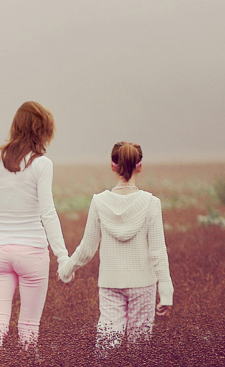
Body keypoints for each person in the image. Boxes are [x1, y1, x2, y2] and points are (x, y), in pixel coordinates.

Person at [0, 101, 69, 352]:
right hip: (32, 252)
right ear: (43, 130)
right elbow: (48, 213)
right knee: (28, 326)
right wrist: (62, 256)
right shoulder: (42, 164)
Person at [58, 141, 173, 350]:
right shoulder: (150, 203)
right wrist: (166, 292)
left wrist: (66, 269)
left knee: (107, 345)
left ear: (113, 166)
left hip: (109, 283)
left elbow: (87, 248)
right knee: (139, 349)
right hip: (143, 284)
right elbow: (158, 252)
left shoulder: (99, 202)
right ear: (140, 166)